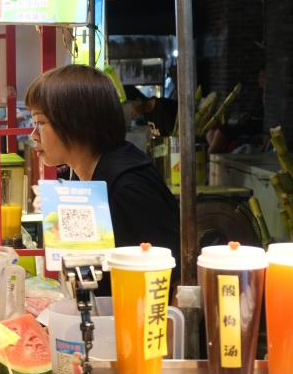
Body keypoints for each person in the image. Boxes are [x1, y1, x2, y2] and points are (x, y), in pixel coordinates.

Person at [27, 65, 180, 285]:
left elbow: (168, 279)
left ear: (75, 122)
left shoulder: (129, 187)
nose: (33, 135)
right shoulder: (82, 176)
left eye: (40, 122)